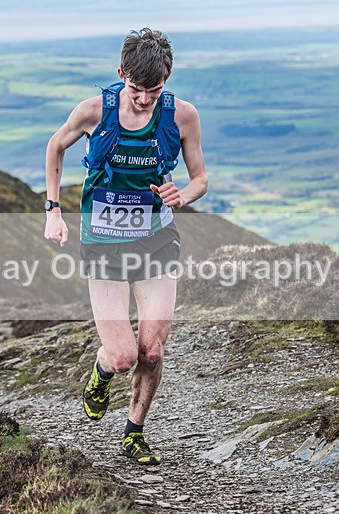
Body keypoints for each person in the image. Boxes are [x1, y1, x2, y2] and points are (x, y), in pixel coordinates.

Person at [44, 29, 208, 465]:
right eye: (136, 89)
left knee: (152, 350)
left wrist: (183, 195)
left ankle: (134, 432)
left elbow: (200, 179)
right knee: (121, 356)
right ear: (121, 75)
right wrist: (53, 210)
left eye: (154, 90)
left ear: (167, 80)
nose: (144, 99)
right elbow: (55, 147)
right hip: (103, 244)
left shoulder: (183, 116)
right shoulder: (93, 111)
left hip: (156, 240)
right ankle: (100, 372)